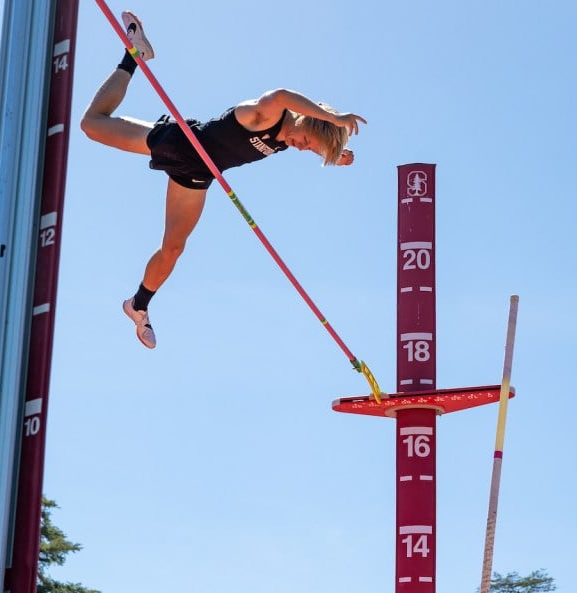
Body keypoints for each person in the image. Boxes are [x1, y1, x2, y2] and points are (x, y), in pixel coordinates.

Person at [80, 11, 367, 349]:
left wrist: (335, 154)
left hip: (196, 173)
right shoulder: (266, 113)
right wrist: (334, 116)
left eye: (309, 151)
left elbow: (318, 142)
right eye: (306, 142)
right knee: (92, 125)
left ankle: (138, 305)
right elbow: (283, 93)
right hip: (181, 143)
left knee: (173, 248)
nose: (300, 148)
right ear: (311, 121)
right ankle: (135, 55)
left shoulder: (291, 139)